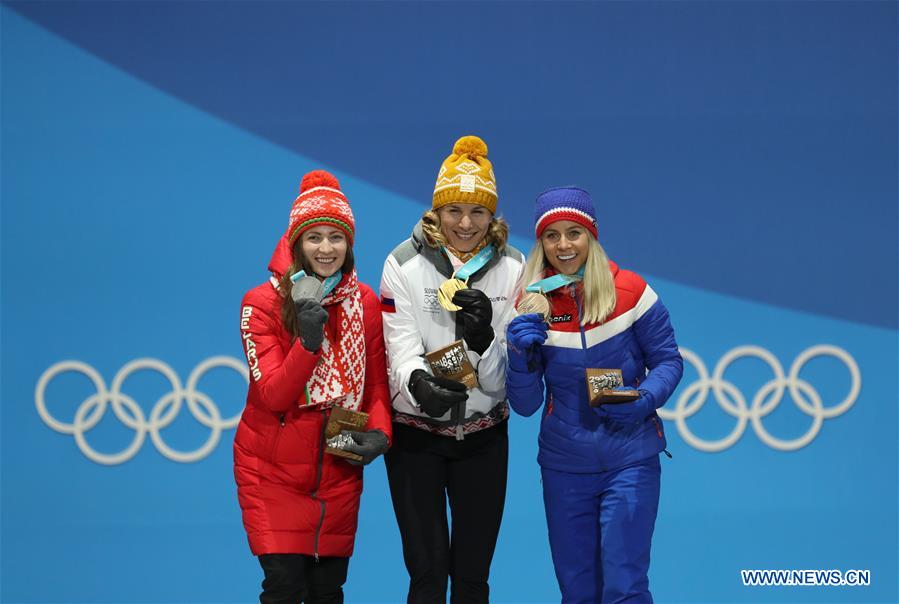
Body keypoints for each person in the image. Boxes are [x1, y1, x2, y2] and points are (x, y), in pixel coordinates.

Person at [505, 186, 683, 604]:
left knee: (625, 586)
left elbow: (669, 362)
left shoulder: (633, 291)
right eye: (552, 235)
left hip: (630, 458)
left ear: (592, 236)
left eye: (574, 233)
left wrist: (643, 399)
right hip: (565, 467)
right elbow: (526, 405)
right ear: (541, 243)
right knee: (578, 592)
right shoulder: (530, 303)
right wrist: (518, 354)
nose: (564, 245)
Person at [233, 170, 392, 604]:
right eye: (314, 238)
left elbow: (377, 383)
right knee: (284, 588)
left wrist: (381, 433)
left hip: (339, 472)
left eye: (336, 237)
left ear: (349, 243)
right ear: (296, 243)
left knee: (328, 591)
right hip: (272, 474)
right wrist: (307, 343)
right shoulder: (261, 303)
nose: (326, 249)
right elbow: (273, 396)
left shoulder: (365, 302)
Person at [379, 135, 525, 603]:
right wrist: (419, 383)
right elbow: (398, 351)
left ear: (493, 216)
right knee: (427, 575)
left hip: (483, 440)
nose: (465, 223)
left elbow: (503, 382)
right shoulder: (402, 263)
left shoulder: (515, 267)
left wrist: (482, 343)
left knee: (472, 579)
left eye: (478, 212)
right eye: (454, 210)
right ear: (436, 210)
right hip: (415, 438)